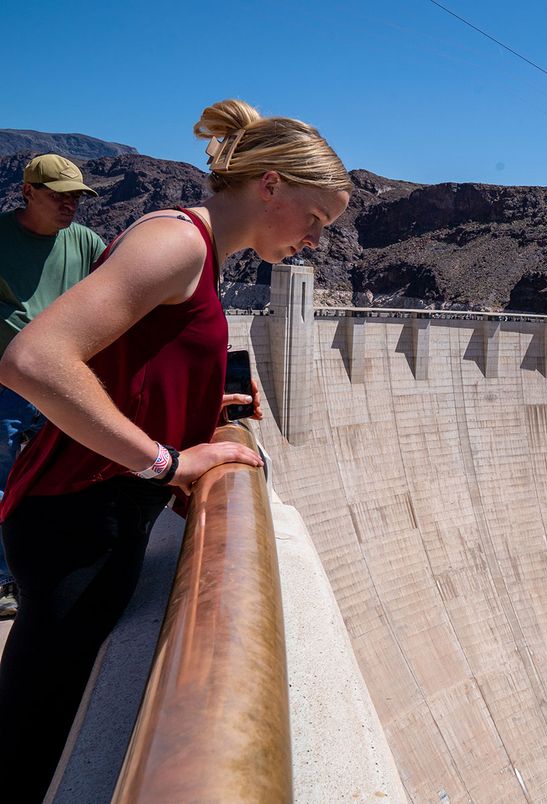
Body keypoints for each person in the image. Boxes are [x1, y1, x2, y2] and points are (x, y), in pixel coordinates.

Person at [0, 99, 352, 802]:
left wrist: (195, 406)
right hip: (77, 514)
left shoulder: (200, 252)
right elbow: (32, 360)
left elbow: (130, 361)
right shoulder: (179, 242)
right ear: (271, 185)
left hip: (97, 509)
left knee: (48, 711)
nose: (317, 240)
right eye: (315, 220)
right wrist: (167, 461)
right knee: (34, 732)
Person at [0, 155, 106, 618]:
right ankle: (5, 582)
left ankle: (54, 568)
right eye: (59, 195)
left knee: (62, 475)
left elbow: (118, 288)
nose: (70, 206)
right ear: (27, 192)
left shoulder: (83, 241)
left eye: (77, 197)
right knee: (2, 481)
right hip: (7, 384)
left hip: (64, 379)